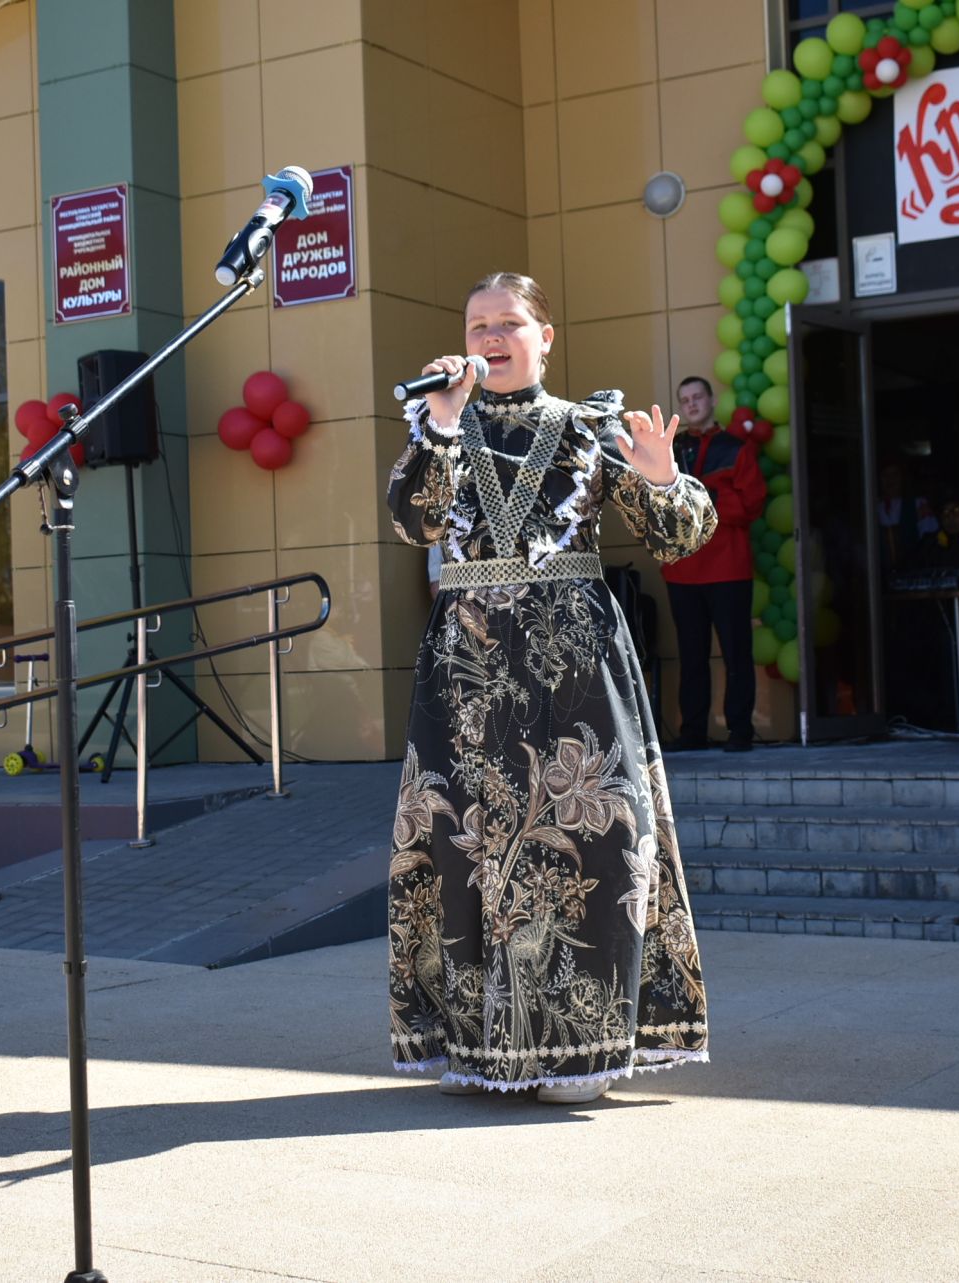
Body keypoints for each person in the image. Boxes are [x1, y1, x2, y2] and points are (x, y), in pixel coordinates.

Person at [385, 271, 715, 1104]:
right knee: (464, 848)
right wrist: (441, 429)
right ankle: (476, 1043)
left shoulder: (591, 425)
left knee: (593, 844)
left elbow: (677, 541)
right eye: (477, 324)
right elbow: (412, 523)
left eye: (507, 322)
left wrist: (665, 477)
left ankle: (581, 1048)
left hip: (574, 669)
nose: (490, 336)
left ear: (545, 336)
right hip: (467, 675)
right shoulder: (437, 425)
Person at [661, 374, 766, 752]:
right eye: (684, 399)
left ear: (711, 401)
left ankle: (740, 731)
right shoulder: (668, 450)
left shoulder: (736, 447)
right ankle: (693, 731)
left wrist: (707, 499)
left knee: (736, 652)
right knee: (691, 656)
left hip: (729, 567)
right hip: (682, 569)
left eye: (697, 397)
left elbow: (752, 504)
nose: (691, 404)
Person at [876, 460, 936, 571]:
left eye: (894, 474)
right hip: (879, 578)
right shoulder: (871, 508)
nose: (890, 480)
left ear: (902, 478)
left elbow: (931, 543)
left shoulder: (918, 504)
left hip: (912, 575)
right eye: (885, 475)